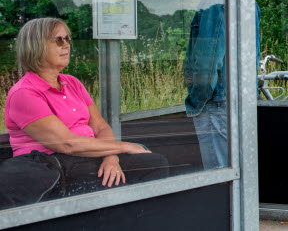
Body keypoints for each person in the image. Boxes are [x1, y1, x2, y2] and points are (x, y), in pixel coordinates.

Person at [1, 18, 168, 206]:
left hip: (86, 155)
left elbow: (100, 127)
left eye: (67, 39)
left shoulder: (72, 82)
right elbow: (66, 144)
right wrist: (123, 147)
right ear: (36, 46)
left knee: (153, 162)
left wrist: (111, 157)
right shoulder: (25, 93)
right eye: (58, 40)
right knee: (113, 180)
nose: (66, 45)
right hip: (52, 164)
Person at [185, 0, 229, 169]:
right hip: (233, 100)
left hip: (215, 104)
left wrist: (197, 101)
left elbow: (207, 61)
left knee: (219, 177)